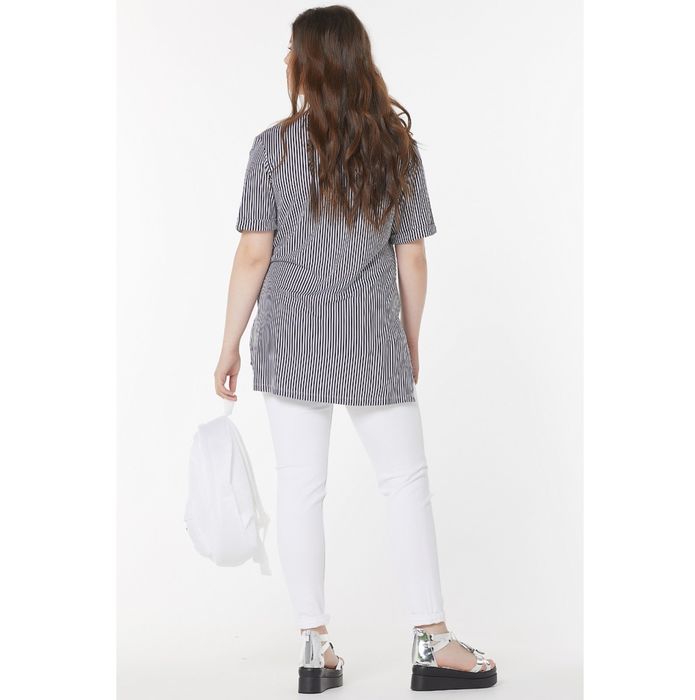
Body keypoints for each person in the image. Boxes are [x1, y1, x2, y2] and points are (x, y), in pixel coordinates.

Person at [214, 5, 497, 694]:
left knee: (299, 487)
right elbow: (412, 257)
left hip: (290, 338)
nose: (287, 61)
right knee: (406, 484)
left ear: (306, 64)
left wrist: (229, 344)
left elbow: (254, 253)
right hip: (371, 341)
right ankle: (432, 642)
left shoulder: (272, 148)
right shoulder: (397, 148)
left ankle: (314, 646)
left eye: (292, 51)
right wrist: (409, 338)